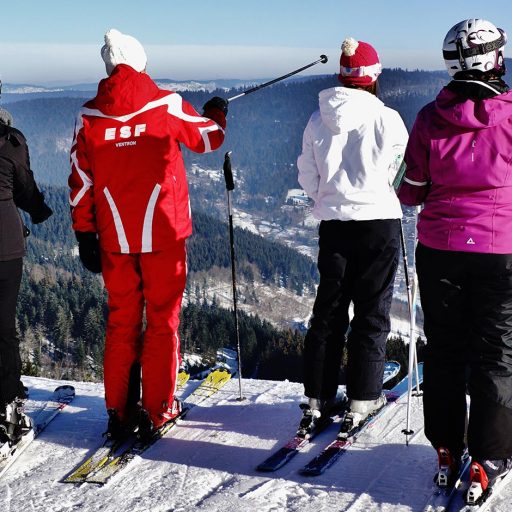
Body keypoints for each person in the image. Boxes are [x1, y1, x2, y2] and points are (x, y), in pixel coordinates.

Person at [68, 29, 228, 440]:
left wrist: (86, 234)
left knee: (122, 321)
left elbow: (81, 182)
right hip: (164, 233)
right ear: (141, 63)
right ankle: (158, 409)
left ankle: (118, 411)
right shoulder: (167, 104)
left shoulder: (88, 117)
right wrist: (216, 113)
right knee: (162, 322)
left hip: (114, 237)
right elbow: (209, 138)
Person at [397, 18, 512, 504]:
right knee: (496, 351)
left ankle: (446, 447)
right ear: (496, 59)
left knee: (443, 349)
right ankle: (490, 456)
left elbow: (410, 189)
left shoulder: (428, 117)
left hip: (441, 249)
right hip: (500, 250)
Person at [296, 37, 408, 438]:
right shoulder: (388, 119)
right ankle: (363, 399)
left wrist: (328, 197)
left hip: (334, 223)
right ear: (373, 78)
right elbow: (400, 173)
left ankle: (316, 399)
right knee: (371, 313)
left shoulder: (316, 119)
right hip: (378, 222)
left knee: (328, 312)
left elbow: (307, 176)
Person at [0, 104, 53, 448]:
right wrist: (40, 209)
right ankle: (8, 411)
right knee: (3, 328)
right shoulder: (10, 142)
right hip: (3, 246)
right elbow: (25, 188)